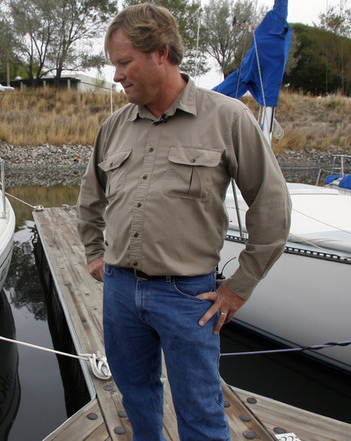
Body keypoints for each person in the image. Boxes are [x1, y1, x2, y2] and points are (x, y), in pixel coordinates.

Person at [76, 3, 291, 441]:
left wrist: (239, 287)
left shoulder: (228, 118)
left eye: (123, 62)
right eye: (113, 64)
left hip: (189, 297)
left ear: (161, 53)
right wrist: (96, 254)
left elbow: (272, 207)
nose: (116, 75)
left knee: (200, 409)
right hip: (120, 291)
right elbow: (90, 196)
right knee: (135, 395)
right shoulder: (114, 127)